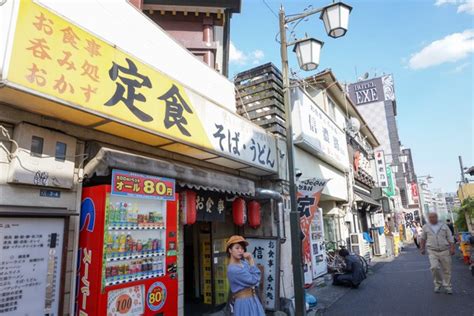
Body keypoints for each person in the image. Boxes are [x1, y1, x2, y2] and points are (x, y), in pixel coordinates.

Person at [226, 235, 265, 316]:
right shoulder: (233, 269)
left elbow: (255, 279)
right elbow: (254, 280)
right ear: (230, 250)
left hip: (253, 299)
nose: (240, 251)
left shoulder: (243, 263)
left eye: (242, 248)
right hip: (243, 302)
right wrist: (251, 260)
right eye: (237, 248)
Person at [419, 212, 455, 294]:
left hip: (444, 250)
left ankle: (447, 286)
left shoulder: (444, 226)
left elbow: (450, 237)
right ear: (428, 218)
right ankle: (438, 284)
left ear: (436, 217)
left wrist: (452, 248)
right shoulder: (426, 227)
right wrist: (422, 248)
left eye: (433, 217)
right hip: (432, 251)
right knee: (434, 267)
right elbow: (423, 238)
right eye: (430, 217)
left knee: (447, 269)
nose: (431, 218)